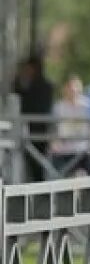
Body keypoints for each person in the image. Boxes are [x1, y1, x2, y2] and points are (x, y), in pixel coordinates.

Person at [12, 55, 54, 183]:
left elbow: (28, 104)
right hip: (34, 128)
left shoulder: (40, 86)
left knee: (38, 162)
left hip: (38, 129)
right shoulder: (40, 85)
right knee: (33, 162)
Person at [50, 75, 90, 177]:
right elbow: (53, 128)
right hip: (63, 151)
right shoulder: (58, 107)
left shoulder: (88, 105)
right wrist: (54, 142)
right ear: (65, 89)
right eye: (70, 88)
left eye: (76, 88)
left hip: (83, 150)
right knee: (56, 173)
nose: (73, 91)